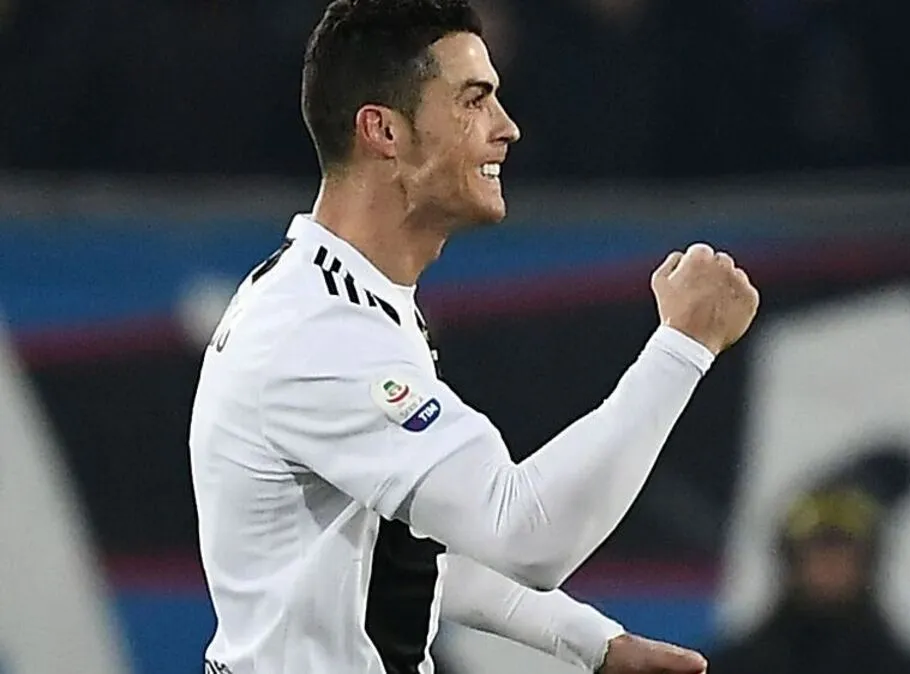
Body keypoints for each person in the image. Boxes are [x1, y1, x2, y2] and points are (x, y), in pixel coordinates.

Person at [188, 1, 760, 673]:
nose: (506, 127)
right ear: (383, 131)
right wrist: (682, 346)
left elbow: (414, 546)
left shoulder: (338, 298)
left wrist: (593, 642)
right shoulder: (320, 332)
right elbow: (528, 534)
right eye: (473, 100)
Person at [709, 448, 910, 674]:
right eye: (819, 551)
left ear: (868, 563)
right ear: (791, 562)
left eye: (843, 552)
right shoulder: (734, 667)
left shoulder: (909, 670)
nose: (830, 566)